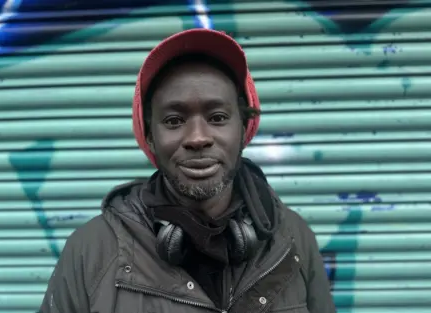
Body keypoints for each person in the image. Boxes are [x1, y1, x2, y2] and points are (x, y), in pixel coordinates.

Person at [39, 28, 336, 313]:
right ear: (150, 137)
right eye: (173, 121)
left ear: (244, 128)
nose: (197, 138)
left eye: (217, 117)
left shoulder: (294, 239)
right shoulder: (90, 251)